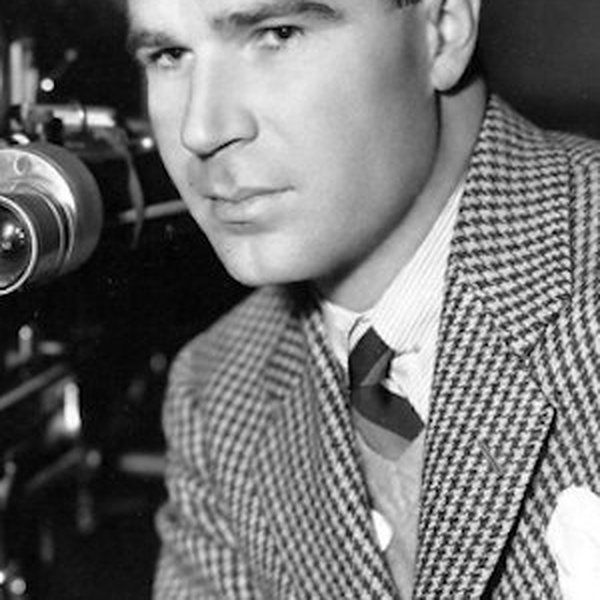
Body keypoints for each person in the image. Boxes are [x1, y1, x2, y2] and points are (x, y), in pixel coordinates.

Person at [126, 0, 600, 597]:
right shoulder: (218, 393)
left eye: (277, 34)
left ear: (443, 28)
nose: (201, 129)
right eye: (169, 55)